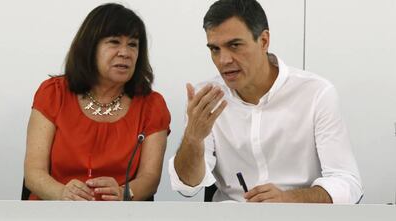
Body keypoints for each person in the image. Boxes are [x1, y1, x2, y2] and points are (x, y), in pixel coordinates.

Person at [169, 0, 362, 203]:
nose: (223, 60)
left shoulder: (316, 93)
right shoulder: (206, 97)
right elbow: (187, 186)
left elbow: (347, 183)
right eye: (215, 49)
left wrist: (289, 200)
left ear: (263, 41)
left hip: (298, 216)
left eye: (234, 45)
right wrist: (193, 138)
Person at [24, 3, 171, 201]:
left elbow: (150, 178)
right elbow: (33, 173)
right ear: (90, 47)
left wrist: (123, 192)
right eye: (114, 42)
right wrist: (62, 193)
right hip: (55, 209)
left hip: (119, 214)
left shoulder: (152, 105)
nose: (125, 53)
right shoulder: (53, 93)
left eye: (133, 44)